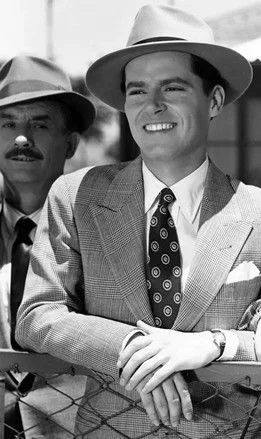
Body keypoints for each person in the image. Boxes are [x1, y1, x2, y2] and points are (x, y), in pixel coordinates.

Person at [15, 4, 261, 437]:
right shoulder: (77, 196)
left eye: (173, 87)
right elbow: (37, 314)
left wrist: (215, 346)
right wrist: (136, 351)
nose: (153, 105)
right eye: (138, 91)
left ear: (214, 100)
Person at [0, 55, 94, 438]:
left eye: (40, 124)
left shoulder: (102, 237)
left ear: (70, 144)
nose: (22, 138)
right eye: (8, 124)